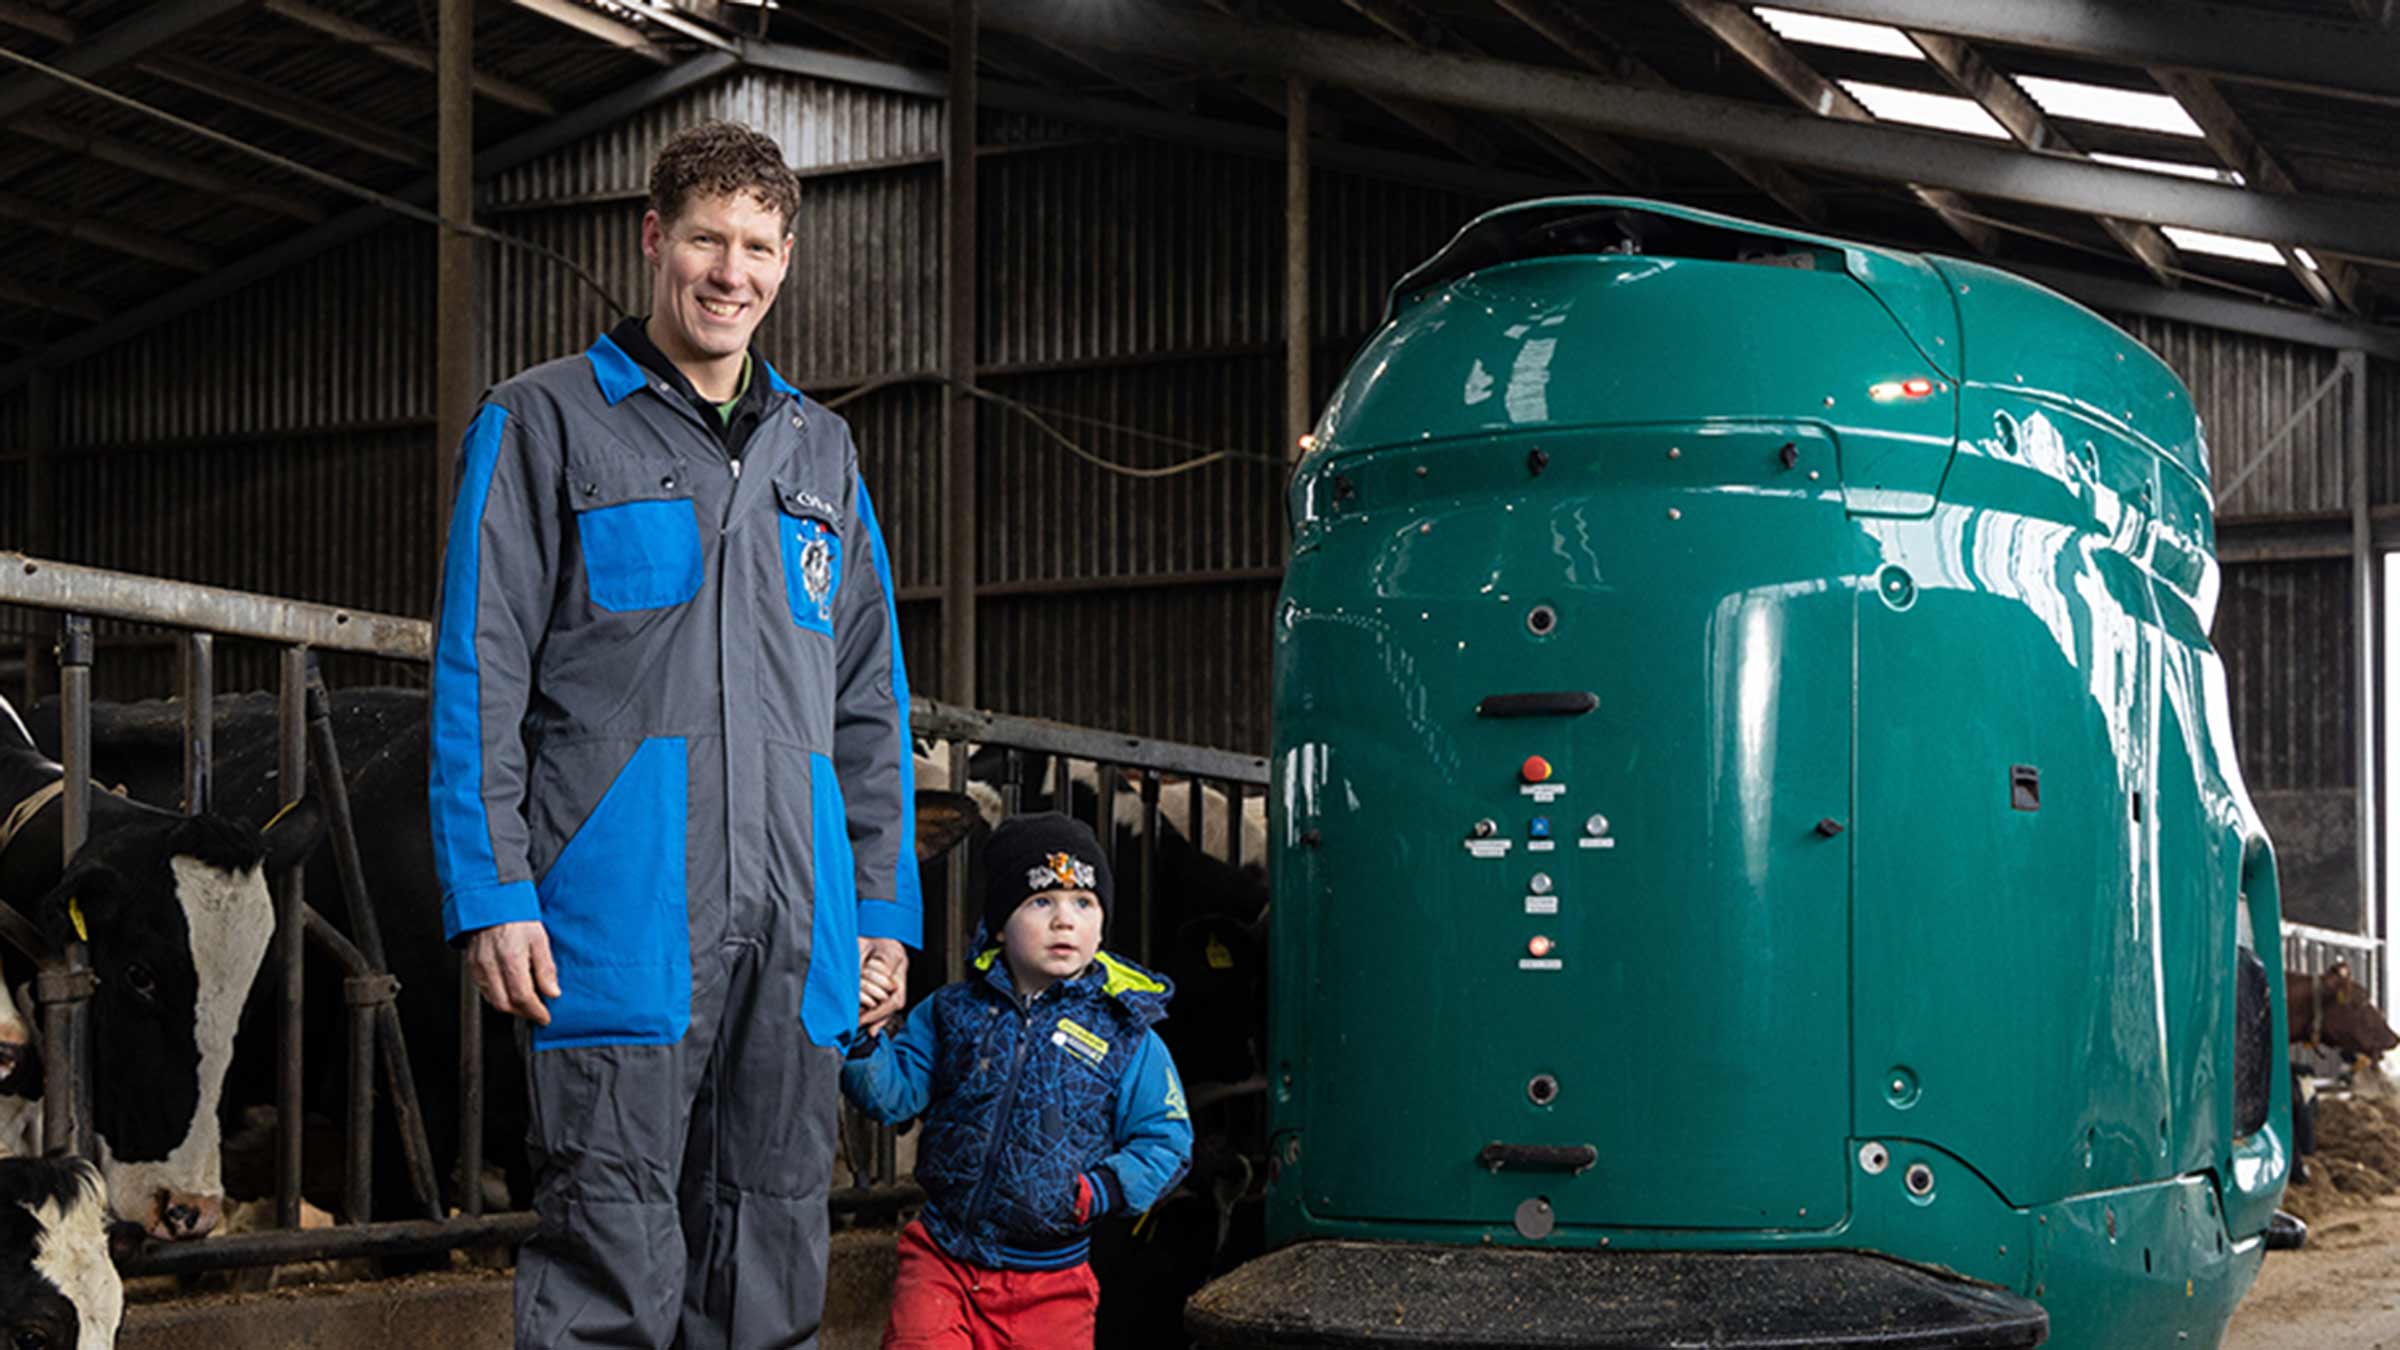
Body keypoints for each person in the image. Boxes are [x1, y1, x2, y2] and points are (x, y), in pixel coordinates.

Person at [427, 119, 918, 1348]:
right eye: (706, 237)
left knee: (775, 1227)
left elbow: (867, 699)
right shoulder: (540, 420)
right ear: (655, 239)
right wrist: (491, 887)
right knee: (613, 1229)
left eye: (757, 245)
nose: (729, 271)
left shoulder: (824, 450)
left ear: (787, 261)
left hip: (799, 911)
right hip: (618, 900)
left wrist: (884, 913)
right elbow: (478, 665)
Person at [842, 814, 1193, 1350]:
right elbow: (892, 1098)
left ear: (1101, 925)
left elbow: (1166, 1141)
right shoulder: (951, 1013)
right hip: (943, 1258)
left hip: (1053, 1283)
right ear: (1000, 924)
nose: (1064, 920)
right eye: (1040, 901)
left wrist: (1098, 1190)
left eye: (1084, 903)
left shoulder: (1128, 1036)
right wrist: (866, 1040)